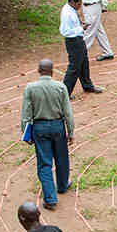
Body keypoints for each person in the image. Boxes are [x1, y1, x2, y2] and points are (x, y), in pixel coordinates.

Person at [21, 59, 74, 210]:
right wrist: (70, 131)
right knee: (62, 157)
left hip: (39, 127)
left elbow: (26, 113)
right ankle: (63, 185)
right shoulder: (60, 87)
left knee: (44, 163)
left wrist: (26, 133)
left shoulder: (30, 88)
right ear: (52, 71)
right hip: (58, 126)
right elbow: (68, 112)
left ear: (38, 70)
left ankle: (50, 199)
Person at [60, 0, 104, 97]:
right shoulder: (67, 13)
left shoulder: (71, 10)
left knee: (84, 63)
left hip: (79, 40)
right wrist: (81, 28)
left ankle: (87, 85)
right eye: (78, 4)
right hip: (73, 42)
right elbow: (65, 31)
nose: (80, 6)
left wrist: (80, 24)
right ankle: (65, 93)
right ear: (72, 2)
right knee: (74, 67)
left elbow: (73, 25)